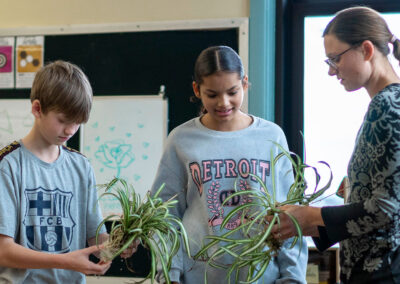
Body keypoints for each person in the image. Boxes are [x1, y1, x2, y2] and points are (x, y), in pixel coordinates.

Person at [150, 46, 307, 284]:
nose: (224, 103)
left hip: (262, 276)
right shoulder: (181, 139)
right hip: (199, 277)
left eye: (232, 92)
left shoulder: (272, 136)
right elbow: (166, 216)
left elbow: (289, 213)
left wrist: (293, 278)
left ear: (244, 83)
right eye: (212, 95)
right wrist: (168, 276)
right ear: (197, 89)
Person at [270, 6, 400, 284]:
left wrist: (311, 216)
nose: (331, 71)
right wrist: (352, 194)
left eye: (335, 59)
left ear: (366, 50)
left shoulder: (387, 107)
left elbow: (387, 208)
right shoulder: (388, 103)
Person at [0, 60, 132, 283]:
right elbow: (4, 251)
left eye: (78, 123)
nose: (70, 130)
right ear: (37, 109)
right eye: (63, 120)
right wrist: (66, 260)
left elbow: (97, 243)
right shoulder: (9, 165)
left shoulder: (80, 166)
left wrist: (121, 245)